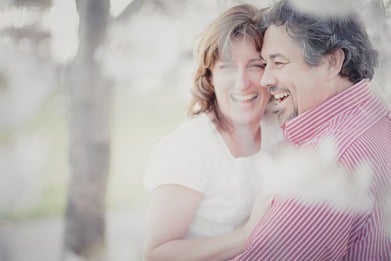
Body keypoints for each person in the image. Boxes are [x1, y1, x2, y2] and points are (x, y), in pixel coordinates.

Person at [233, 0, 391, 260]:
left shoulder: (329, 161)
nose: (265, 80)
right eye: (264, 64)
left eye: (279, 63)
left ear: (331, 62)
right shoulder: (377, 117)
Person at [143, 4, 281, 261]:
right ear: (210, 77)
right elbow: (157, 254)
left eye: (256, 65)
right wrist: (247, 234)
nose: (242, 82)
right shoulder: (189, 148)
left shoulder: (278, 130)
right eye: (227, 66)